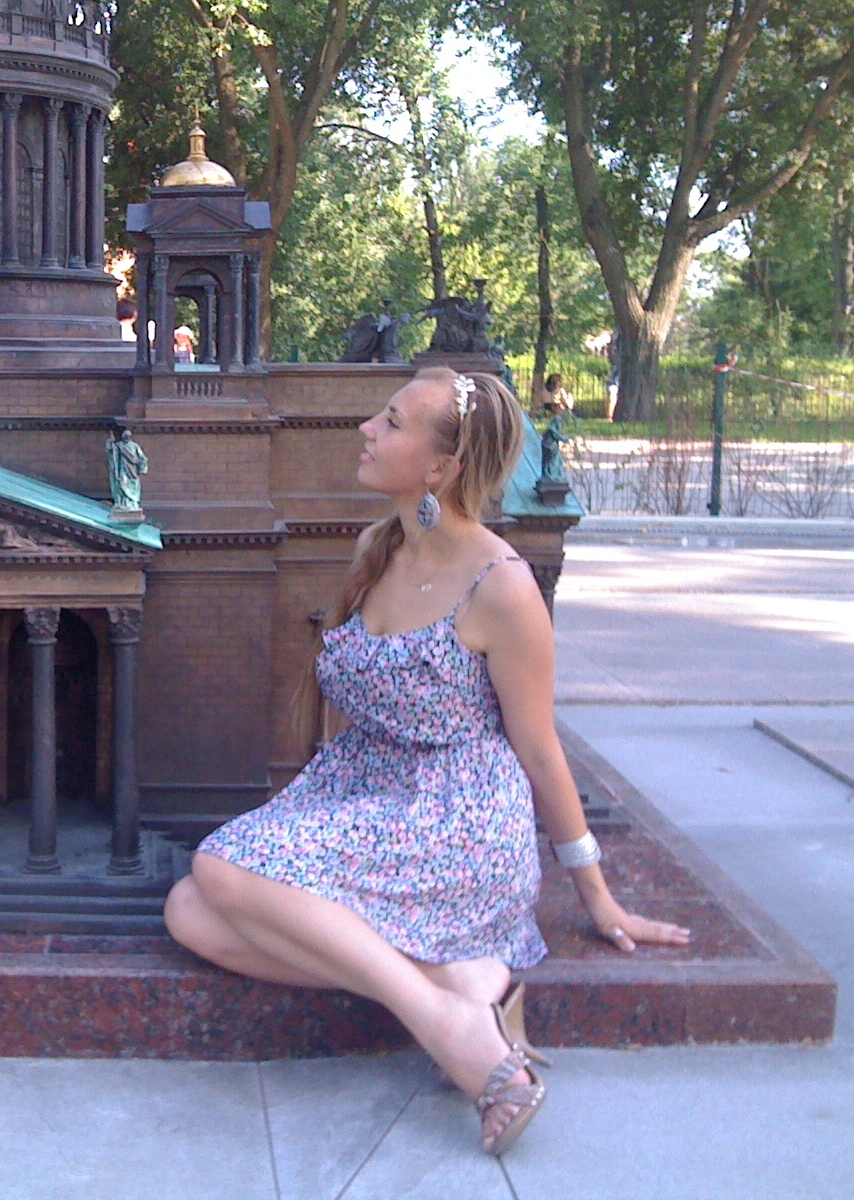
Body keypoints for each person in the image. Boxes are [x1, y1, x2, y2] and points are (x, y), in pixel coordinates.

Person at [164, 367, 690, 1157]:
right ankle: (460, 987)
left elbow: (539, 747)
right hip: (366, 796)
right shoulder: (380, 550)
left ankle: (452, 1030)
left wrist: (598, 896)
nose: (366, 430)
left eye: (392, 422)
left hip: (459, 821)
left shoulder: (501, 586)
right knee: (188, 912)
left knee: (219, 869)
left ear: (441, 466)